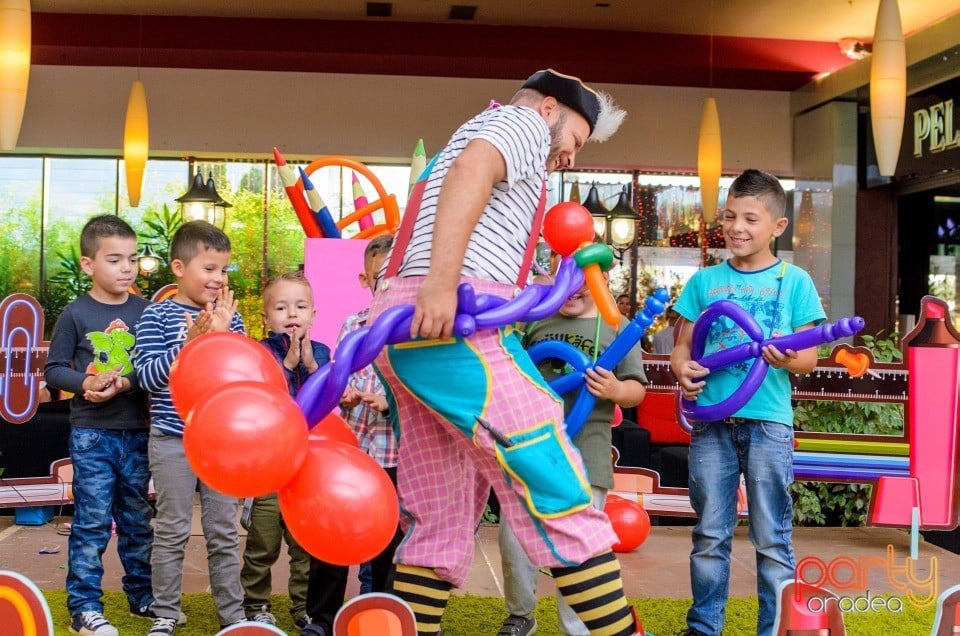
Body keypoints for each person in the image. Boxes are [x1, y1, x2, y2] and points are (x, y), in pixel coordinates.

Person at [367, 69, 644, 636]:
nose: (569, 157)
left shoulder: (485, 133)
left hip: (407, 330)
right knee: (551, 468)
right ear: (549, 110)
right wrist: (443, 282)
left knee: (441, 508)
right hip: (450, 326)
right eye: (576, 141)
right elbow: (473, 169)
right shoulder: (519, 123)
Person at [670, 169, 826, 636]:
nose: (737, 227)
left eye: (751, 219)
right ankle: (704, 627)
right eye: (730, 216)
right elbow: (681, 348)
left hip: (768, 424)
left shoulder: (794, 280)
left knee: (771, 537)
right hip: (711, 424)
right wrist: (682, 370)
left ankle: (776, 627)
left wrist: (787, 355)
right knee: (709, 535)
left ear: (777, 227)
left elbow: (810, 360)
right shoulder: (704, 282)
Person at [498, 276, 647, 636]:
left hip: (587, 449)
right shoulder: (534, 320)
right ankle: (521, 614)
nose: (569, 291)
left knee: (579, 544)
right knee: (513, 535)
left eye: (580, 281)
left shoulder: (618, 327)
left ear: (601, 281)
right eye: (560, 279)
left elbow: (636, 390)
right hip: (530, 448)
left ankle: (577, 627)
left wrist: (614, 388)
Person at [44, 215, 155, 636]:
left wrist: (125, 382)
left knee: (136, 520)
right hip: (92, 434)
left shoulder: (146, 312)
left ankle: (142, 596)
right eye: (114, 259)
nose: (126, 268)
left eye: (131, 259)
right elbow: (54, 369)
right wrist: (87, 381)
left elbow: (154, 370)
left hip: (138, 432)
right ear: (89, 264)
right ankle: (84, 608)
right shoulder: (76, 313)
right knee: (91, 522)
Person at [134, 220, 247, 636]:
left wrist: (219, 339)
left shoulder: (231, 319)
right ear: (179, 268)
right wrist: (189, 345)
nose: (218, 279)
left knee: (222, 531)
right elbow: (145, 377)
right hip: (171, 440)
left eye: (224, 271)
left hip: (219, 444)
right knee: (172, 530)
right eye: (209, 268)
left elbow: (239, 383)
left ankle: (232, 616)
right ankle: (165, 611)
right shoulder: (157, 315)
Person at [300, 235, 404, 636]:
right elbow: (341, 376)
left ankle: (384, 616)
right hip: (353, 451)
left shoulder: (419, 329)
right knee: (333, 537)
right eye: (382, 279)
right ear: (366, 279)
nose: (390, 286)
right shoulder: (353, 325)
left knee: (390, 548)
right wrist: (343, 395)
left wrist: (387, 400)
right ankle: (321, 619)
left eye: (399, 276)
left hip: (396, 455)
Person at [241, 271, 330, 629]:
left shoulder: (321, 351)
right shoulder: (261, 351)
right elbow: (264, 398)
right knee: (262, 542)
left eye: (300, 305)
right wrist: (289, 363)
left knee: (304, 543)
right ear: (266, 318)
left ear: (313, 313)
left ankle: (303, 605)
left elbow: (327, 398)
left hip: (306, 466)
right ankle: (256, 604)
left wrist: (308, 364)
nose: (291, 313)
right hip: (267, 465)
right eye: (281, 307)